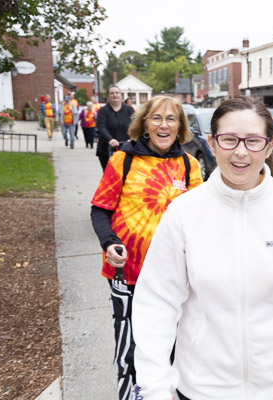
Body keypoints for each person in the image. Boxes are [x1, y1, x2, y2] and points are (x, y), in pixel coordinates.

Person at [132, 96, 273, 400]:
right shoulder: (184, 212)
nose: (241, 152)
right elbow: (157, 302)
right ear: (212, 144)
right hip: (202, 389)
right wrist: (155, 386)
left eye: (253, 141)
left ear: (269, 146)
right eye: (229, 140)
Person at [90, 95, 203, 399]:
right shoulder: (123, 160)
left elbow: (200, 218)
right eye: (157, 118)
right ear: (145, 124)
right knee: (131, 349)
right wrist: (109, 242)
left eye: (171, 119)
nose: (164, 125)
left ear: (179, 127)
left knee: (176, 347)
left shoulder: (189, 165)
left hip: (175, 276)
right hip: (129, 273)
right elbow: (100, 209)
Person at [96, 85, 135, 170]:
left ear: (121, 95)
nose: (115, 95)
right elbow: (101, 127)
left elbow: (136, 125)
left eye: (117, 93)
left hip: (126, 148)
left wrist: (133, 138)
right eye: (112, 93)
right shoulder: (103, 111)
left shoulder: (129, 109)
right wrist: (110, 139)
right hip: (107, 149)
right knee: (110, 174)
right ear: (108, 96)